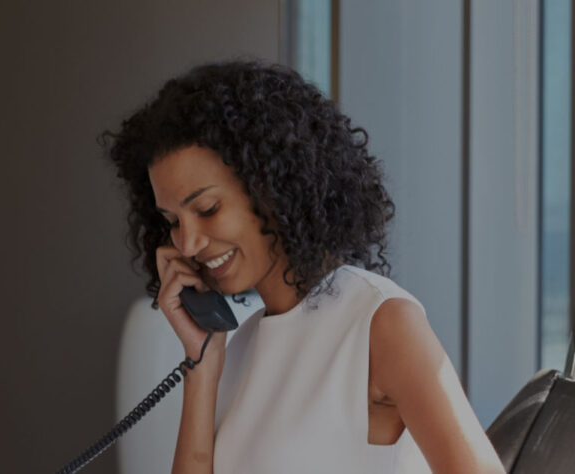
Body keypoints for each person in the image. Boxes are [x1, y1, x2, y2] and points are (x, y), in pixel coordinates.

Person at [102, 60, 505, 473]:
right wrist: (201, 368)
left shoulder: (381, 323)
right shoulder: (239, 345)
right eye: (172, 223)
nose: (187, 243)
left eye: (207, 209)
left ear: (271, 187)